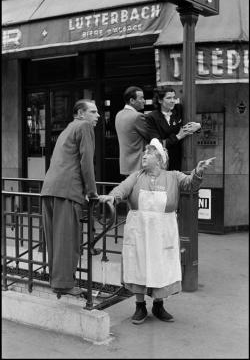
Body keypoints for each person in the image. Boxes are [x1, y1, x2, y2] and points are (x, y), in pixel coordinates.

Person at [99, 138, 215, 324]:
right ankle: (139, 306)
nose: (144, 156)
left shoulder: (173, 176)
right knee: (139, 265)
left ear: (160, 159)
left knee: (161, 266)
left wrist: (198, 172)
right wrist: (112, 197)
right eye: (144, 153)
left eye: (149, 153)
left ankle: (159, 305)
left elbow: (190, 184)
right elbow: (122, 189)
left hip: (163, 232)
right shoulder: (136, 176)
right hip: (139, 231)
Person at [41, 99, 100, 296]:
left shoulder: (67, 129)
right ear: (81, 113)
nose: (97, 116)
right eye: (93, 112)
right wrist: (92, 191)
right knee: (67, 240)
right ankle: (64, 285)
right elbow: (86, 161)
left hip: (49, 188)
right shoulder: (84, 126)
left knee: (54, 240)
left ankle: (57, 283)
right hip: (67, 190)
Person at [145, 87, 201, 170]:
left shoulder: (179, 109)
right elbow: (158, 144)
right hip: (162, 160)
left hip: (182, 157)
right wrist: (178, 136)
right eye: (168, 98)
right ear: (160, 100)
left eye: (174, 97)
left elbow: (190, 123)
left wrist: (198, 126)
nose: (173, 101)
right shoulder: (151, 117)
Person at [115, 86, 150, 176]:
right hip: (139, 166)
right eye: (141, 98)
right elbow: (151, 136)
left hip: (126, 166)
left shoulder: (119, 115)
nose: (144, 101)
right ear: (132, 101)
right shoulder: (137, 116)